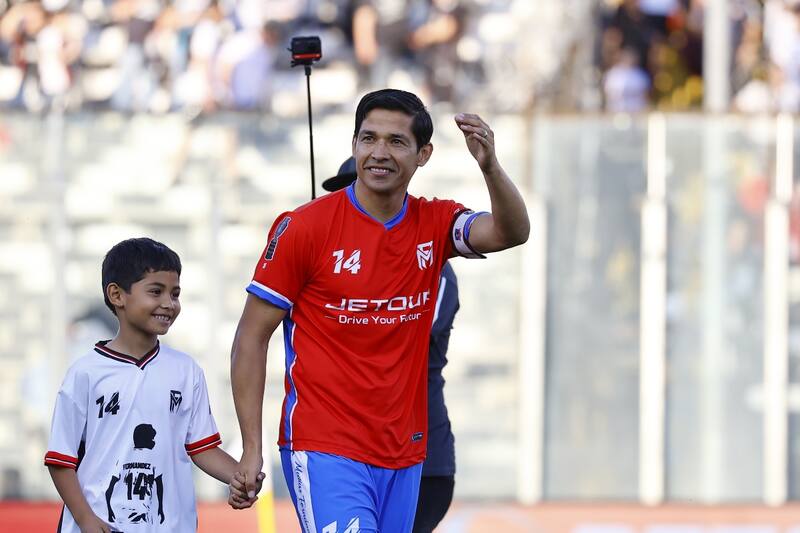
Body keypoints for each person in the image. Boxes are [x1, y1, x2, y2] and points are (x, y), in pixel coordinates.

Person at [231, 88, 529, 531]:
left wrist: (489, 165)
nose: (378, 153)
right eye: (368, 139)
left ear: (423, 153)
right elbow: (250, 339)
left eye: (396, 141)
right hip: (324, 445)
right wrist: (250, 446)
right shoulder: (303, 227)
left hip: (405, 453)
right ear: (353, 145)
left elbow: (511, 232)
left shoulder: (435, 223)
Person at [44, 237, 261, 533]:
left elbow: (201, 448)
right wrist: (85, 519)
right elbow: (61, 460)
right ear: (117, 295)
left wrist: (239, 477)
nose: (168, 304)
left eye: (175, 294)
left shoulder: (186, 371)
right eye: (156, 291)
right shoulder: (85, 373)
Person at [322, 159, 459, 532]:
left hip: (419, 457)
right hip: (344, 450)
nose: (353, 203)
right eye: (345, 194)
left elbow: (394, 333)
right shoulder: (326, 260)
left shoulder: (432, 264)